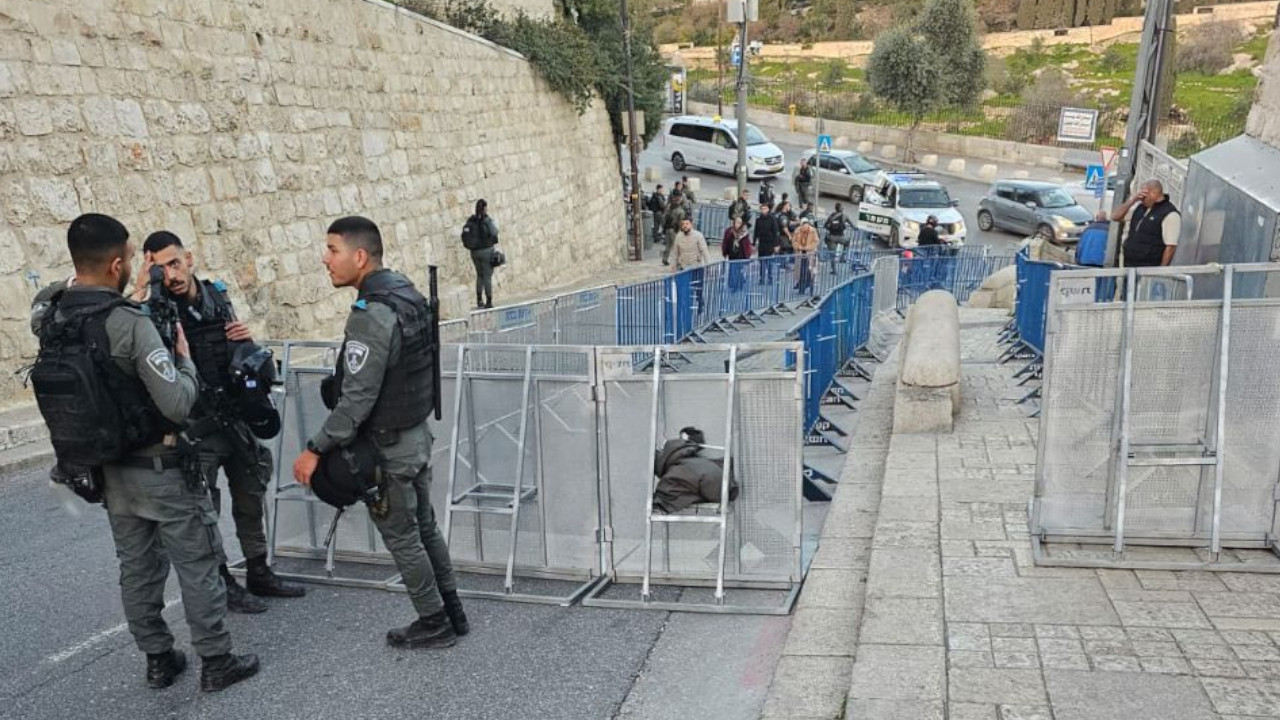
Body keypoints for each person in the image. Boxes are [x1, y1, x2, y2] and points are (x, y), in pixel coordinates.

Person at [29, 213, 258, 692]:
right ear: (116, 264)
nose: (136, 268)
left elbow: (49, 295)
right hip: (162, 466)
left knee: (136, 568)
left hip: (108, 470)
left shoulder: (52, 316)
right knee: (196, 563)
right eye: (132, 259)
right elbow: (175, 404)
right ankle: (217, 661)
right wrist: (184, 362)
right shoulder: (128, 323)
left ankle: (158, 658)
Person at [293, 216, 467, 650]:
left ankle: (434, 621)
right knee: (424, 528)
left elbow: (356, 401)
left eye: (332, 250)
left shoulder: (372, 315)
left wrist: (314, 450)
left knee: (403, 536)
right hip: (413, 436)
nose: (325, 259)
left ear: (360, 256)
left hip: (388, 446)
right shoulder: (405, 293)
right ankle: (453, 613)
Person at [132, 231, 305, 615]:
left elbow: (237, 350)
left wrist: (247, 340)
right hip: (196, 427)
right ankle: (223, 582)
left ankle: (259, 570)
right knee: (204, 510)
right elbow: (131, 342)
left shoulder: (216, 295)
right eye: (160, 269)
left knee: (250, 494)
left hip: (235, 416)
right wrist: (142, 291)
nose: (171, 275)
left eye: (174, 263)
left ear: (189, 258)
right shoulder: (153, 312)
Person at [1113, 179, 1180, 267]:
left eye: (1144, 195)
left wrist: (1160, 271)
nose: (1141, 198)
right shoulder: (1140, 208)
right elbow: (1115, 216)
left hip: (1149, 266)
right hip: (1130, 264)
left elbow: (1171, 247)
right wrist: (1132, 201)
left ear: (1154, 193)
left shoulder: (1170, 214)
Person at [464, 199, 499, 308]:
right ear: (484, 208)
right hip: (486, 251)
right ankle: (489, 301)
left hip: (474, 252)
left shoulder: (471, 220)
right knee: (487, 276)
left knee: (479, 275)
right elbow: (494, 232)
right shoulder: (486, 220)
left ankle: (479, 300)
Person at [753, 203, 783, 283]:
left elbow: (776, 232)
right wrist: (753, 243)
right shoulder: (758, 220)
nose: (763, 210)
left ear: (768, 209)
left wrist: (776, 244)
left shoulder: (772, 219)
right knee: (762, 261)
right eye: (762, 209)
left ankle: (770, 277)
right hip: (762, 243)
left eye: (765, 208)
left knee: (769, 261)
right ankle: (762, 278)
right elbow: (756, 232)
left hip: (770, 243)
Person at [792, 216, 820, 294]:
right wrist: (799, 246)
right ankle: (801, 286)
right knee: (801, 271)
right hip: (800, 254)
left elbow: (816, 241)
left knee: (810, 271)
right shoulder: (797, 230)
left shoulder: (813, 231)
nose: (804, 229)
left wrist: (807, 247)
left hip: (810, 254)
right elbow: (794, 241)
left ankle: (808, 285)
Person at [661, 190, 689, 266]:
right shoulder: (680, 210)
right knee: (677, 247)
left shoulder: (669, 206)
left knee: (667, 246)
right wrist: (682, 231)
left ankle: (665, 259)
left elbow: (664, 217)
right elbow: (680, 222)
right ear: (679, 198)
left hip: (667, 228)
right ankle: (678, 262)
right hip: (675, 230)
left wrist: (663, 228)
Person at [824, 201, 850, 268]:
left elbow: (825, 225)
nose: (843, 208)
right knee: (847, 242)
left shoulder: (831, 216)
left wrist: (831, 229)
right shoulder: (844, 216)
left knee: (832, 254)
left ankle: (834, 270)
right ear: (840, 208)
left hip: (831, 237)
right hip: (841, 237)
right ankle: (842, 257)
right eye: (842, 207)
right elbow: (853, 226)